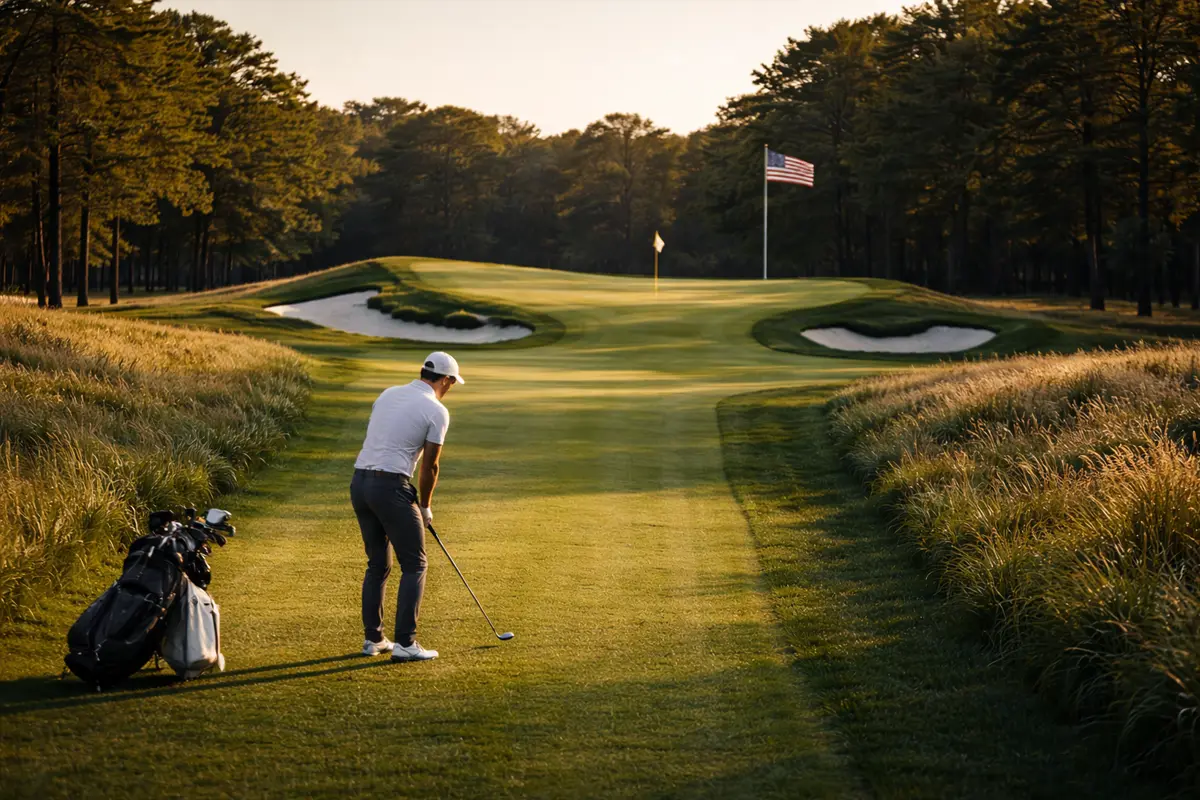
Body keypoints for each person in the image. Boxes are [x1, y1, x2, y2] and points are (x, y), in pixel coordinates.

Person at [349, 351, 464, 662]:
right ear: (445, 379)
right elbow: (431, 467)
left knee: (378, 564)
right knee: (415, 564)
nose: (451, 387)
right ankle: (405, 644)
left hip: (359, 483)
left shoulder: (388, 393)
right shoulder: (437, 410)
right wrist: (425, 506)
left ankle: (374, 639)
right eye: (452, 382)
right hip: (390, 487)